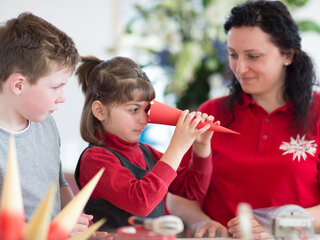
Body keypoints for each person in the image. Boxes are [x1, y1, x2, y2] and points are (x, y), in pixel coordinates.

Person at [166, 0, 320, 239]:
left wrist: (283, 222)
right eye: (233, 55)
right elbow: (177, 195)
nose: (240, 68)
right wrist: (202, 224)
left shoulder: (317, 112)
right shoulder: (212, 112)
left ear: (288, 55)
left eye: (254, 56)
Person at [74, 56, 215, 231]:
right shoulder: (95, 159)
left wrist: (201, 146)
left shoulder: (146, 151)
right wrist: (176, 147)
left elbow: (192, 190)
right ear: (100, 111)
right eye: (134, 109)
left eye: (147, 109)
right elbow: (141, 202)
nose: (144, 119)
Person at [0, 12, 95, 237]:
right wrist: (52, 228)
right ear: (18, 85)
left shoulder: (46, 125)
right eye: (55, 87)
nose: (62, 97)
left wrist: (76, 220)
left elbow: (59, 183)